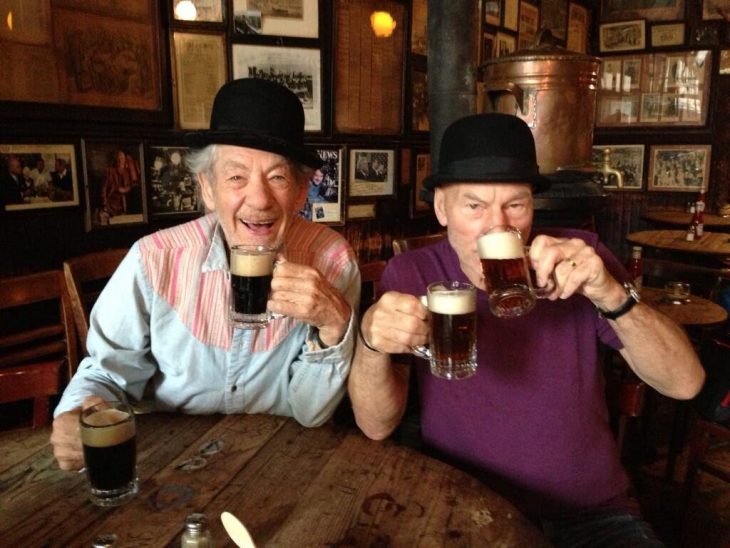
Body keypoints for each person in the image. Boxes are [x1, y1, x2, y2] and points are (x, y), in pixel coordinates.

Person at [348, 113, 705, 546]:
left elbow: (686, 383)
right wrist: (369, 341)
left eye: (515, 204)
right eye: (474, 205)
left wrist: (611, 294)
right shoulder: (412, 273)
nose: (498, 227)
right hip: (465, 508)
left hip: (592, 516)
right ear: (442, 208)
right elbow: (375, 426)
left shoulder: (579, 258)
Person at [51, 78, 360, 471]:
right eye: (236, 177)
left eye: (278, 177)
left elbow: (310, 413)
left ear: (300, 193)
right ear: (207, 188)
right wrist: (81, 410)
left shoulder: (332, 261)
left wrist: (335, 325)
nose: (260, 198)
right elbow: (107, 375)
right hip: (169, 466)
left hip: (281, 465)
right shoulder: (153, 260)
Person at [100, 148, 140, 217]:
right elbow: (104, 187)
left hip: (124, 203)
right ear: (115, 160)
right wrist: (104, 201)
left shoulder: (128, 172)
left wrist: (126, 189)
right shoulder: (109, 171)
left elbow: (133, 184)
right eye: (118, 158)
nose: (120, 160)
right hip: (111, 203)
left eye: (122, 158)